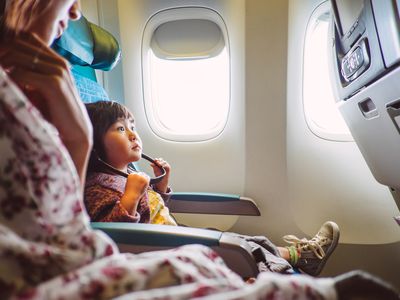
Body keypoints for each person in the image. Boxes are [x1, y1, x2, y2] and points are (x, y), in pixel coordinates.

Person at [0, 0, 398, 299]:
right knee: (231, 254)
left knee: (250, 246)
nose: (75, 12)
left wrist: (159, 186)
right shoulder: (103, 183)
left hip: (158, 233)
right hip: (145, 240)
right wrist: (102, 165)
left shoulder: (53, 96)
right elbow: (97, 227)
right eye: (122, 129)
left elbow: (67, 228)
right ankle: (289, 269)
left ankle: (291, 264)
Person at [84, 100, 340, 277]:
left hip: (170, 236)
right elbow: (113, 235)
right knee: (239, 250)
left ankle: (301, 256)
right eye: (120, 128)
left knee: (242, 240)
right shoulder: (97, 186)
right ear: (95, 145)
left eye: (133, 127)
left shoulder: (128, 174)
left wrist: (161, 187)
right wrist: (131, 195)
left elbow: (151, 211)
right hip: (159, 249)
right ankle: (282, 269)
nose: (132, 134)